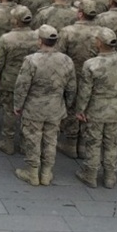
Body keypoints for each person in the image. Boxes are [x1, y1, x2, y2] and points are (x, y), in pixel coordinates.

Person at [9, 24, 75, 186]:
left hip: (34, 108)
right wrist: (68, 104)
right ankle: (46, 173)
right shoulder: (66, 60)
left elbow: (22, 86)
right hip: (55, 107)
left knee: (33, 139)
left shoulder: (31, 60)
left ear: (40, 41)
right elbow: (71, 87)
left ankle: (32, 172)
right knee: (51, 140)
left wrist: (18, 105)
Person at [73, 29, 117, 188]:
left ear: (100, 43)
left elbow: (85, 91)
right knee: (112, 143)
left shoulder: (91, 64)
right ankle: (110, 176)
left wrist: (80, 110)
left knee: (93, 142)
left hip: (96, 110)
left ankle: (90, 174)